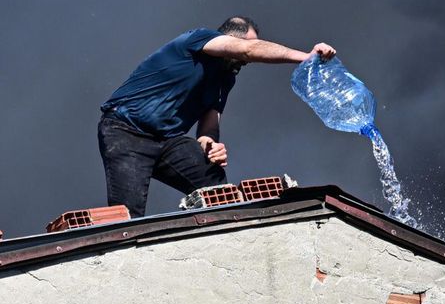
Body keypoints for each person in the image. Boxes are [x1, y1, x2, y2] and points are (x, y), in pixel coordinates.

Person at [98, 16, 335, 217]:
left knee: (220, 191)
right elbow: (250, 49)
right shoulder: (197, 39)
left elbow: (208, 128)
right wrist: (306, 57)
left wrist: (209, 145)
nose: (247, 61)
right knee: (128, 217)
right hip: (126, 131)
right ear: (230, 41)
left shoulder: (225, 79)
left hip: (168, 140)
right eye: (249, 47)